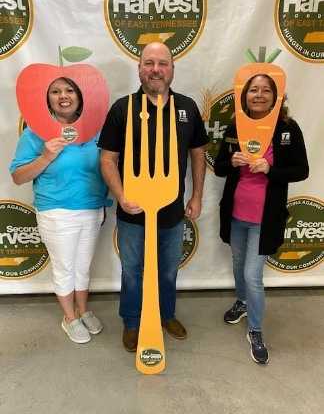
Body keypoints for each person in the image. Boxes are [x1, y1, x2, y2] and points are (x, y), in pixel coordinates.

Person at [98, 42, 209, 352]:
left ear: (172, 69)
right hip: (132, 212)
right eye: (149, 63)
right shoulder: (123, 108)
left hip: (172, 211)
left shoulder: (186, 108)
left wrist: (197, 196)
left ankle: (166, 314)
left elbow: (198, 154)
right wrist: (121, 196)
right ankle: (132, 322)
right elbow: (107, 159)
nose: (156, 69)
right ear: (139, 69)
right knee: (132, 269)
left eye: (163, 63)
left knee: (169, 268)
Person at [214, 74, 309, 364]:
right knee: (239, 264)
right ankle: (242, 302)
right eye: (253, 90)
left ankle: (255, 330)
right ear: (245, 96)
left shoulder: (288, 129)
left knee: (253, 276)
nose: (259, 95)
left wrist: (270, 168)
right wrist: (231, 162)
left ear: (276, 95)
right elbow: (218, 167)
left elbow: (301, 170)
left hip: (264, 218)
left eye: (266, 90)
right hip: (236, 213)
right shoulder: (236, 127)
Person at [10, 77, 107, 344]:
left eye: (69, 90)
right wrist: (45, 156)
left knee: (83, 267)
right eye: (55, 91)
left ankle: (83, 310)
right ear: (48, 99)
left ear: (80, 95)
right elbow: (18, 176)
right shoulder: (35, 133)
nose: (63, 96)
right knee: (65, 268)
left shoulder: (96, 130)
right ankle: (69, 318)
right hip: (56, 211)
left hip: (92, 208)